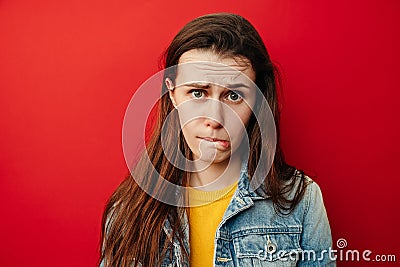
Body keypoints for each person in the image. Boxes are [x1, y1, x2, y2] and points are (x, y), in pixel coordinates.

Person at [99, 13, 335, 267]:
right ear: (173, 94)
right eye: (197, 93)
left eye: (233, 96)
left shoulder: (301, 199)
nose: (214, 118)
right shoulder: (127, 209)